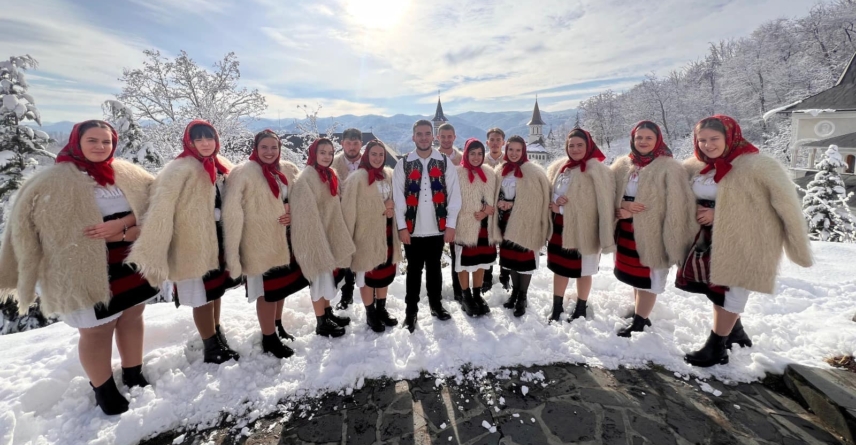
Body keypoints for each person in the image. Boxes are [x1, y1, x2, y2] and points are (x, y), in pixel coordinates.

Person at [0, 120, 158, 415]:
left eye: (106, 142)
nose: (100, 146)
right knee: (97, 329)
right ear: (77, 142)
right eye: (93, 140)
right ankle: (103, 388)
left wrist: (125, 228)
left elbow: (157, 205)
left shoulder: (128, 174)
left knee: (132, 315)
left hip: (131, 263)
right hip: (83, 270)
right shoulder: (52, 181)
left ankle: (133, 372)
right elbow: (26, 229)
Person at [678, 115, 812, 367]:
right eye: (702, 140)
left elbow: (782, 206)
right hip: (707, 240)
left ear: (730, 136)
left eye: (714, 139)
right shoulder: (696, 167)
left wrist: (719, 214)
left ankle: (716, 348)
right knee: (715, 290)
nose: (708, 145)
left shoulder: (759, 165)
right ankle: (735, 332)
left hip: (746, 239)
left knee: (732, 290)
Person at [129, 120, 242, 363]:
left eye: (209, 138)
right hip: (191, 243)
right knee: (200, 294)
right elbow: (161, 207)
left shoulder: (222, 166)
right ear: (189, 142)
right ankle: (210, 346)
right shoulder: (178, 169)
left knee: (215, 290)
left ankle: (216, 333)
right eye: (198, 139)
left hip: (217, 240)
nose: (204, 143)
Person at [222, 130, 308, 359]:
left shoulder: (288, 170)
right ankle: (268, 337)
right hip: (258, 241)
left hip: (285, 238)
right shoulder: (243, 173)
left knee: (281, 288)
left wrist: (293, 212)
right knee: (266, 292)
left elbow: (300, 198)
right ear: (256, 148)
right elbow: (232, 212)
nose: (270, 152)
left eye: (274, 148)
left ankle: (277, 325)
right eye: (265, 147)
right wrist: (235, 250)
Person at [610, 121, 695, 337]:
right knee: (635, 273)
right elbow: (609, 193)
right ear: (633, 139)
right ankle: (639, 310)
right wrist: (622, 205)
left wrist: (635, 211)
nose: (643, 142)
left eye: (649, 137)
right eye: (639, 137)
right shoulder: (623, 165)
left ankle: (641, 321)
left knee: (649, 273)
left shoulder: (669, 167)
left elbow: (675, 204)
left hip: (654, 231)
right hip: (627, 229)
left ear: (658, 139)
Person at [393, 120, 462, 333]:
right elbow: (397, 199)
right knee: (413, 271)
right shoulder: (403, 163)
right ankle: (410, 311)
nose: (423, 137)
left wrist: (450, 225)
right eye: (419, 134)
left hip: (437, 227)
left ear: (433, 136)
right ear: (413, 137)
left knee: (434, 269)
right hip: (413, 228)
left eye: (427, 134)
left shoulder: (443, 161)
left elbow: (454, 195)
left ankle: (436, 304)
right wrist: (402, 227)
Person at [545, 128, 615, 323]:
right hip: (560, 227)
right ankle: (557, 306)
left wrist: (564, 208)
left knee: (583, 269)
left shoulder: (597, 170)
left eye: (579, 145)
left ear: (588, 146)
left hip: (585, 228)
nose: (575, 149)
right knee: (560, 268)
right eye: (571, 145)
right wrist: (556, 201)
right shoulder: (560, 167)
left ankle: (581, 307)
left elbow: (599, 204)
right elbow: (551, 191)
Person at [290, 138, 357, 337]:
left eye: (330, 152)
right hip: (314, 237)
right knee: (318, 279)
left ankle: (327, 313)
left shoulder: (329, 174)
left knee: (327, 278)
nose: (327, 156)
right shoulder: (306, 178)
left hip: (328, 234)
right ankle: (321, 322)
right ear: (314, 154)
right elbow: (305, 214)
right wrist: (318, 241)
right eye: (322, 152)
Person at [341, 140, 402, 332]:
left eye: (381, 155)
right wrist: (381, 209)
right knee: (368, 273)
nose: (377, 158)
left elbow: (396, 199)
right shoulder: (357, 178)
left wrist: (392, 207)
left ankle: (381, 309)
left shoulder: (389, 175)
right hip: (365, 235)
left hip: (386, 232)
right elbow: (350, 211)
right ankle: (370, 313)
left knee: (383, 272)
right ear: (367, 155)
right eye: (373, 154)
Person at [493, 136, 552, 317]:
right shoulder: (501, 170)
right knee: (511, 260)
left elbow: (538, 199)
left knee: (524, 261)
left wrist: (513, 205)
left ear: (523, 151)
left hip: (527, 223)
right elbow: (495, 193)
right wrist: (500, 202)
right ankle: (514, 292)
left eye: (518, 150)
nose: (514, 153)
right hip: (506, 221)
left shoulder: (533, 171)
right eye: (511, 150)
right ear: (506, 149)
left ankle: (522, 296)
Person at [453, 138, 500, 317]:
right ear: (466, 153)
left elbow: (494, 197)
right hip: (465, 225)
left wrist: (489, 210)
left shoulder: (489, 172)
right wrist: (477, 209)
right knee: (464, 263)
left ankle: (477, 294)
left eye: (479, 153)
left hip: (484, 227)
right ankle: (465, 296)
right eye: (472, 153)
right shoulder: (457, 173)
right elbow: (453, 201)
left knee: (481, 261)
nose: (476, 157)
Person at [330, 128, 363, 309]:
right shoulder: (332, 164)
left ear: (361, 144)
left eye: (356, 143)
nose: (352, 147)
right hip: (341, 218)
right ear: (342, 143)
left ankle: (371, 294)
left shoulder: (369, 161)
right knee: (346, 256)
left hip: (365, 216)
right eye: (348, 143)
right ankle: (346, 293)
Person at [483, 127, 507, 291]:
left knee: (505, 241)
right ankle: (486, 276)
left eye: (498, 140)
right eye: (492, 140)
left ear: (503, 142)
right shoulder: (481, 160)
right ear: (487, 142)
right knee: (488, 241)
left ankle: (505, 276)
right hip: (487, 207)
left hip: (505, 207)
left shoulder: (509, 160)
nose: (495, 143)